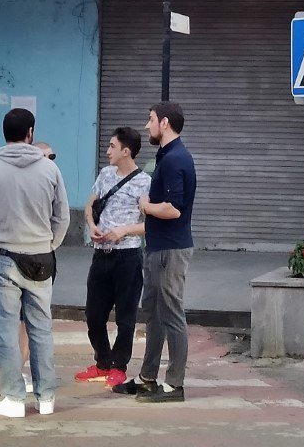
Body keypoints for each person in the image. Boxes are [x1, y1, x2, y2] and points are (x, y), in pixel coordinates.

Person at [0, 111, 68, 419]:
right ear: (30, 133)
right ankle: (46, 397)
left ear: (4, 134)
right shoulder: (50, 170)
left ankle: (13, 398)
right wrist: (49, 244)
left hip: (3, 258)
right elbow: (62, 217)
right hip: (41, 259)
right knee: (41, 329)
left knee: (6, 331)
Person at [113, 101, 196, 404]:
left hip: (171, 250)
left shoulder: (176, 159)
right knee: (154, 313)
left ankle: (175, 384)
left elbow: (173, 209)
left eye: (150, 120)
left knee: (171, 314)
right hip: (159, 247)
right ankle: (148, 377)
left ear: (164, 123)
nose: (146, 126)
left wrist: (145, 206)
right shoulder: (167, 156)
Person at [76, 126, 151, 388]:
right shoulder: (106, 174)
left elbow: (150, 224)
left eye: (112, 146)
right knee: (94, 314)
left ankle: (119, 365)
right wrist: (91, 225)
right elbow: (89, 205)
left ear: (125, 151)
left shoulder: (144, 182)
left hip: (128, 256)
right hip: (101, 255)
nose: (107, 151)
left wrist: (124, 231)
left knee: (125, 316)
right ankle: (102, 361)